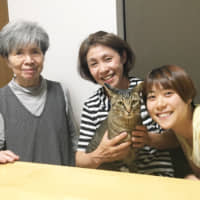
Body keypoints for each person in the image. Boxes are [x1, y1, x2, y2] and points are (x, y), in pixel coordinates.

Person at [76, 31, 179, 176]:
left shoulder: (150, 91)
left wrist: (150, 139)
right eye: (94, 64)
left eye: (108, 59)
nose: (103, 69)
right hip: (115, 184)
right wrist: (99, 155)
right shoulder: (92, 105)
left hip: (156, 180)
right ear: (89, 70)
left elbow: (179, 139)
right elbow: (79, 159)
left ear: (123, 57)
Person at [0, 20, 78, 166]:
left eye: (35, 52)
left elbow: (74, 142)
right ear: (7, 61)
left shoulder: (61, 91)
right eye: (19, 53)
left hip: (63, 182)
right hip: (22, 186)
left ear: (43, 55)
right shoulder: (1, 99)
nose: (29, 60)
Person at [143, 64, 200, 180]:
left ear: (188, 95)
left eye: (168, 93)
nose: (160, 104)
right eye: (152, 97)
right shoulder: (180, 131)